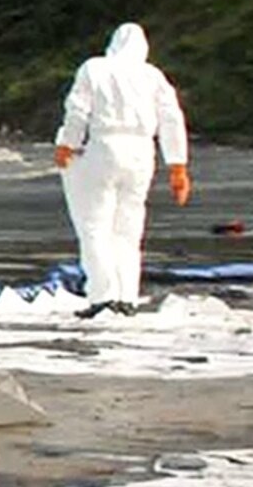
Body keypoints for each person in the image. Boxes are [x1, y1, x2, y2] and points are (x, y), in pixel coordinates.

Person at [54, 23, 192, 315]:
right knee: (129, 229)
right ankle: (127, 297)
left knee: (94, 224)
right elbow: (171, 118)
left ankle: (102, 296)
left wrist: (67, 143)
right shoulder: (153, 76)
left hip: (104, 146)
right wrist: (178, 166)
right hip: (142, 152)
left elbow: (78, 109)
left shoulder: (94, 68)